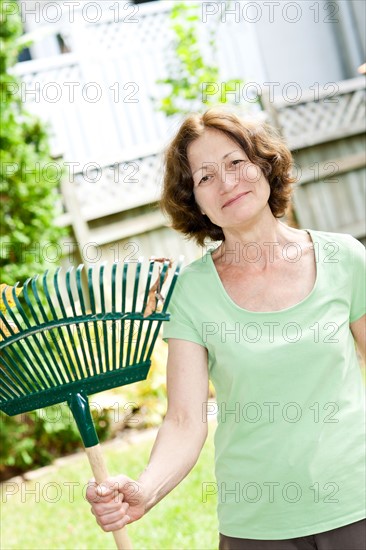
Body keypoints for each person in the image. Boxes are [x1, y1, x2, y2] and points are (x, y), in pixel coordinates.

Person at [86, 109, 366, 549]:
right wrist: (146, 491)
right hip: (257, 526)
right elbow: (184, 420)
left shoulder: (345, 258)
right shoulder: (191, 293)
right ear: (195, 202)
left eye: (236, 162)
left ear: (264, 165)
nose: (228, 182)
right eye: (205, 177)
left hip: (357, 504)